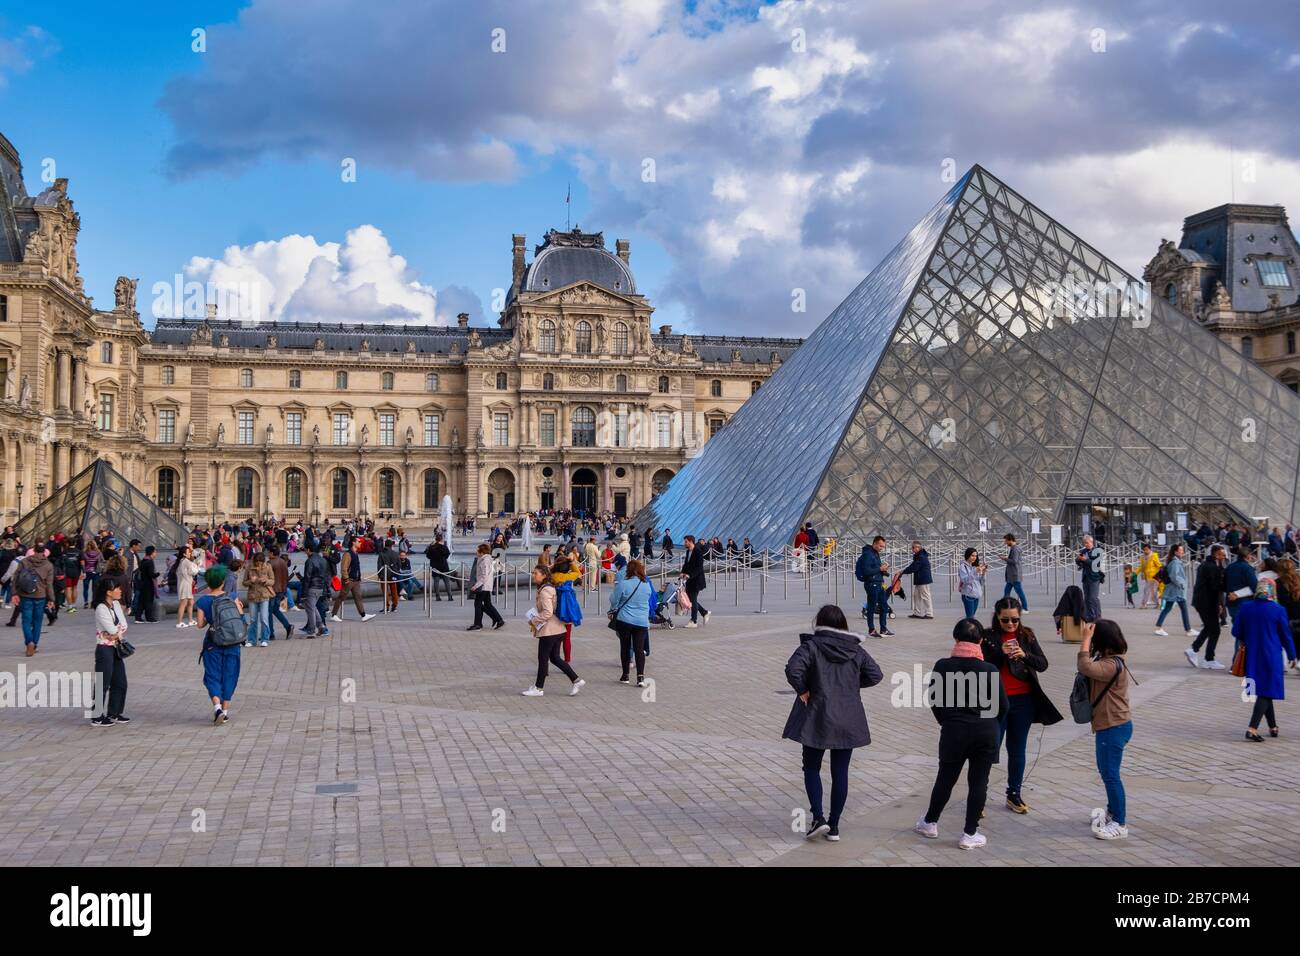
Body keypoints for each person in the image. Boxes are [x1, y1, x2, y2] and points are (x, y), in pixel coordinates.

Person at [782, 604, 884, 842]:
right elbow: (876, 675)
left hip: (817, 714)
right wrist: (850, 687)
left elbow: (792, 669)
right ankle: (835, 826)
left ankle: (818, 818)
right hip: (847, 717)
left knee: (811, 767)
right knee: (840, 772)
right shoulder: (855, 650)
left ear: (819, 623)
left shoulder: (812, 646)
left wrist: (804, 690)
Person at [914, 618, 1007, 848]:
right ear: (981, 641)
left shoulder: (943, 665)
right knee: (978, 782)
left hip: (954, 730)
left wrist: (947, 721)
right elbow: (1003, 706)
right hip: (985, 732)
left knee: (946, 778)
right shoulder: (989, 669)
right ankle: (969, 833)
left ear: (956, 639)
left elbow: (934, 699)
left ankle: (930, 822)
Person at [981, 597, 1062, 813]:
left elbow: (1043, 664)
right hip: (996, 701)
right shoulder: (988, 636)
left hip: (1023, 700)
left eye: (1014, 620)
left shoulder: (1027, 635)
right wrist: (1002, 653)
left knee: (1017, 749)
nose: (1010, 624)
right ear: (997, 616)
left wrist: (1024, 655)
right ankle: (980, 795)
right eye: (1005, 620)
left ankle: (1014, 793)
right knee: (990, 749)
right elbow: (982, 666)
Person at [1077, 619, 1133, 839]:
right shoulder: (1109, 659)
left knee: (1111, 775)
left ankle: (1120, 823)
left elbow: (1084, 666)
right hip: (1112, 725)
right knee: (1106, 771)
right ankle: (1112, 812)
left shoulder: (1111, 665)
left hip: (1114, 726)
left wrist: (1085, 639)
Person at [1233, 580, 1298, 741]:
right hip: (1271, 655)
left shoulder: (1246, 607)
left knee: (1263, 689)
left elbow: (1236, 631)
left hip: (1252, 655)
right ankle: (1252, 728)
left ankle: (1273, 727)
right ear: (1272, 591)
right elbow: (1285, 635)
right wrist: (1292, 655)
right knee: (1266, 690)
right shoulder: (1278, 610)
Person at [521, 563, 584, 697]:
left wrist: (533, 621)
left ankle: (538, 688)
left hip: (550, 630)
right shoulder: (549, 587)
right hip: (558, 629)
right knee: (555, 658)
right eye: (533, 573)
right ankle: (576, 680)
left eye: (536, 573)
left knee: (543, 658)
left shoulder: (545, 590)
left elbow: (548, 613)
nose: (533, 575)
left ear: (543, 575)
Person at [195, 565, 243, 724]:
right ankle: (226, 710)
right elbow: (240, 618)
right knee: (230, 675)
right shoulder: (232, 597)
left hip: (213, 643)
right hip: (232, 643)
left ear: (208, 582)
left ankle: (217, 708)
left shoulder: (203, 601)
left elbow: (200, 625)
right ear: (223, 582)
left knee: (212, 675)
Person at [91, 577, 130, 726]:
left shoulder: (115, 604)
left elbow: (124, 626)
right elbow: (113, 629)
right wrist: (115, 633)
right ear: (108, 592)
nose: (120, 591)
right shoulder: (101, 607)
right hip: (104, 649)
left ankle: (115, 712)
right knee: (103, 682)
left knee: (120, 682)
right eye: (117, 588)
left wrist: (115, 634)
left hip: (116, 647)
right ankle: (96, 715)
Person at [611, 558, 650, 687]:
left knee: (625, 647)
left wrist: (614, 608)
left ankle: (626, 675)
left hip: (625, 620)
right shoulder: (646, 585)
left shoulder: (623, 583)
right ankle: (640, 677)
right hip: (642, 621)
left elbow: (614, 599)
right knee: (639, 649)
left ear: (629, 571)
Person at [1187, 545, 1227, 669]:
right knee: (1215, 629)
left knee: (1210, 627)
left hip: (1203, 601)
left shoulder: (1207, 565)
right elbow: (1215, 587)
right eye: (1222, 554)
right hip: (1207, 602)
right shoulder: (1212, 567)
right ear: (1216, 554)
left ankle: (1194, 649)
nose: (1224, 557)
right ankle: (1208, 658)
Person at [13, 547, 54, 656]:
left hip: (25, 595)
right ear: (44, 552)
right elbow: (49, 584)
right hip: (40, 596)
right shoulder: (48, 565)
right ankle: (34, 644)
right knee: (37, 622)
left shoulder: (24, 561)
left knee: (26, 621)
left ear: (34, 551)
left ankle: (29, 642)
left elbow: (16, 577)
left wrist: (14, 593)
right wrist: (51, 599)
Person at [1153, 543, 1194, 638]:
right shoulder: (1175, 562)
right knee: (1183, 609)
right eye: (1181, 550)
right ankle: (1188, 630)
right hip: (1177, 590)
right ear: (1176, 552)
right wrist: (1181, 585)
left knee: (1167, 608)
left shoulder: (1173, 561)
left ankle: (1159, 627)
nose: (1182, 551)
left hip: (1174, 590)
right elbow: (1174, 576)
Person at [854, 536, 892, 636]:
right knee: (871, 607)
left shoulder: (875, 553)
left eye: (883, 547)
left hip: (879, 583)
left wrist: (883, 570)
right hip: (872, 584)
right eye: (880, 546)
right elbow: (867, 571)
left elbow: (875, 569)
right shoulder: (867, 554)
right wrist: (880, 569)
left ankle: (883, 629)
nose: (881, 548)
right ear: (874, 543)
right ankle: (871, 630)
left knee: (883, 606)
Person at [331, 539, 375, 623]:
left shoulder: (355, 553)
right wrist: (346, 578)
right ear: (353, 542)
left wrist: (359, 577)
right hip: (349, 580)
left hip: (356, 580)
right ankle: (333, 615)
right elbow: (344, 568)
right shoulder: (347, 554)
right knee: (341, 597)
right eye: (358, 541)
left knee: (358, 597)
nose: (360, 543)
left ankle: (363, 615)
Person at [550, 556, 582, 661]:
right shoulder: (569, 576)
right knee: (567, 637)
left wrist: (555, 565)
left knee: (555, 637)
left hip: (555, 610)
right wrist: (571, 562)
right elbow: (577, 571)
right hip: (568, 610)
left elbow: (548, 570)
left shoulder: (553, 576)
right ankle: (567, 659)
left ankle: (555, 658)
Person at [241, 550, 276, 647]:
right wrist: (251, 581)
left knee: (264, 618)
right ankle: (251, 640)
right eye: (257, 563)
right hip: (253, 596)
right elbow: (244, 583)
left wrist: (266, 581)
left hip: (264, 595)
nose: (258, 565)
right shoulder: (249, 568)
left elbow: (272, 581)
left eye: (260, 563)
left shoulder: (268, 567)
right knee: (253, 619)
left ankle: (265, 639)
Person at [467, 543, 504, 631]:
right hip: (486, 586)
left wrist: (476, 586)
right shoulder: (485, 559)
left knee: (478, 604)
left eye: (477, 550)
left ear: (482, 552)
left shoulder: (485, 561)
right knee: (487, 604)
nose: (476, 551)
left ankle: (478, 624)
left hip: (483, 586)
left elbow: (484, 575)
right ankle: (498, 620)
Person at [680, 534, 710, 628]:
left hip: (696, 580)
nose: (684, 543)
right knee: (691, 600)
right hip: (689, 580)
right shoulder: (688, 551)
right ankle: (704, 612)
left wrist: (690, 575)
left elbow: (699, 567)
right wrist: (682, 572)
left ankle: (694, 621)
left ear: (691, 542)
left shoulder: (697, 551)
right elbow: (686, 564)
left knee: (692, 600)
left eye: (686, 542)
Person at [301, 542, 330, 638]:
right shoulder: (323, 560)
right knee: (313, 608)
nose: (305, 552)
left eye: (305, 550)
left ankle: (311, 630)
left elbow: (307, 577)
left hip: (312, 587)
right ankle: (321, 626)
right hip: (320, 587)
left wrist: (304, 593)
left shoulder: (309, 561)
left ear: (309, 550)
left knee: (310, 610)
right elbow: (326, 576)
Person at [267, 546, 295, 639]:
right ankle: (288, 626)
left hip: (272, 590)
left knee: (268, 612)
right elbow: (286, 577)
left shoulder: (270, 563)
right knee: (275, 609)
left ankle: (270, 633)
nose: (267, 554)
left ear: (271, 553)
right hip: (282, 589)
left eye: (269, 552)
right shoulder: (283, 562)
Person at [1075, 535, 1104, 621]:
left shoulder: (1098, 551)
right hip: (1086, 577)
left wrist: (1085, 560)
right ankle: (1089, 615)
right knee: (1087, 598)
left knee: (1093, 598)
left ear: (1092, 542)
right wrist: (1078, 560)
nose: (1086, 544)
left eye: (1087, 543)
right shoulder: (1083, 551)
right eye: (1084, 543)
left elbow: (1096, 564)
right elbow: (1079, 562)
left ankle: (1097, 616)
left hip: (1095, 577)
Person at [175, 545, 202, 628]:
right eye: (188, 552)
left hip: (186, 583)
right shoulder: (185, 561)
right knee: (184, 603)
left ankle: (190, 620)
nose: (190, 553)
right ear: (184, 554)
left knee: (190, 602)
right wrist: (198, 566)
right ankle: (179, 622)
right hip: (185, 584)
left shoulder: (182, 561)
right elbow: (193, 572)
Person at [957, 547, 986, 620]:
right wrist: (975, 571)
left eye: (975, 556)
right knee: (970, 617)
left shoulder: (975, 566)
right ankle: (968, 630)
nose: (974, 558)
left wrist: (983, 573)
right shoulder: (962, 566)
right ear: (967, 555)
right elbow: (965, 580)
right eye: (972, 555)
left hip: (976, 594)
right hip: (968, 594)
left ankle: (969, 629)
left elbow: (981, 582)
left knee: (972, 616)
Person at [133, 546, 159, 624]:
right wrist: (158, 574)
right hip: (148, 584)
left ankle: (138, 617)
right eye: (155, 552)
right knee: (148, 601)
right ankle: (149, 618)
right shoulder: (150, 562)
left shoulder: (144, 560)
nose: (156, 553)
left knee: (141, 601)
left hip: (142, 584)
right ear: (151, 553)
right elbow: (151, 575)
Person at [1002, 533, 1028, 610]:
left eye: (1006, 541)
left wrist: (1005, 559)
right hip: (1013, 575)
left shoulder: (1015, 549)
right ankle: (1004, 605)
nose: (1005, 543)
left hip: (1014, 575)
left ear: (1010, 540)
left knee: (1020, 592)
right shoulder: (1015, 548)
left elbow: (1014, 561)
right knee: (1007, 591)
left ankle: (1025, 608)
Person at [425, 535, 453, 601]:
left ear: (436, 539)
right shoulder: (444, 547)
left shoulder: (431, 547)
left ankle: (438, 596)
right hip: (444, 565)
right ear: (441, 540)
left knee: (436, 582)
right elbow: (447, 555)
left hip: (434, 565)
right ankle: (450, 596)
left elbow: (428, 556)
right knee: (447, 582)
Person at [377, 540, 401, 613]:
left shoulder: (381, 554)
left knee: (385, 592)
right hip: (393, 574)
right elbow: (399, 564)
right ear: (391, 545)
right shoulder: (395, 553)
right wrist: (396, 572)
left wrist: (379, 575)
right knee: (394, 591)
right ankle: (394, 606)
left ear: (385, 545)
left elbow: (379, 566)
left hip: (384, 575)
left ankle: (386, 606)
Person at [1137, 543, 1162, 609]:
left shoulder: (1154, 556)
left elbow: (1159, 565)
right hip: (1147, 577)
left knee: (1146, 590)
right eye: (1144, 550)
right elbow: (1141, 567)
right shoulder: (1142, 557)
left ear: (1150, 549)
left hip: (1154, 577)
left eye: (1147, 549)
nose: (1146, 551)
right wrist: (1135, 572)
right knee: (1153, 591)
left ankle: (1144, 604)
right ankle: (1158, 603)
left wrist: (1161, 573)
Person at [81, 539, 101, 609]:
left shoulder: (85, 553)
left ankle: (86, 603)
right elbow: (101, 562)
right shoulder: (98, 553)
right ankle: (93, 602)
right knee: (94, 588)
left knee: (85, 588)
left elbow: (83, 563)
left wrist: (83, 572)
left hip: (87, 572)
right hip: (96, 572)